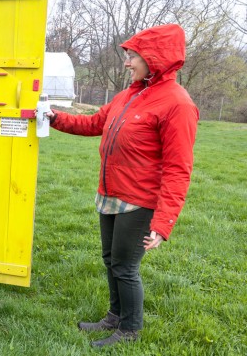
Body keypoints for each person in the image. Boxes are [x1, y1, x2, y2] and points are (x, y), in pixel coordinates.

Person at [42, 24, 199, 347]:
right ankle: (114, 316)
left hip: (140, 201)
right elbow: (93, 124)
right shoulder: (130, 94)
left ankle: (129, 330)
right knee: (110, 259)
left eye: (133, 57)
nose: (127, 63)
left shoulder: (177, 104)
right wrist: (53, 117)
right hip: (111, 194)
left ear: (154, 58)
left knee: (126, 266)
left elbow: (178, 168)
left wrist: (163, 221)